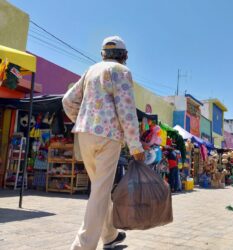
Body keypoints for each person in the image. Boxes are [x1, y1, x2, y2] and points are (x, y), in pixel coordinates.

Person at [62, 35, 145, 250]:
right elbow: (127, 111)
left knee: (101, 188)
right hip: (108, 137)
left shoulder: (91, 70)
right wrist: (136, 146)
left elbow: (67, 100)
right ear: (124, 56)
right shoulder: (122, 72)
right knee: (100, 190)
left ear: (103, 54)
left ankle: (109, 235)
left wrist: (83, 120)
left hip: (84, 134)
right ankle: (83, 245)